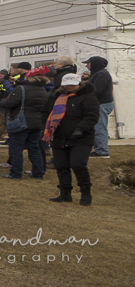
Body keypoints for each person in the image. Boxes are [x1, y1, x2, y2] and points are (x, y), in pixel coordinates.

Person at [43, 73, 101, 204]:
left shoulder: (88, 97)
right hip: (59, 135)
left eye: (72, 84)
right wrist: (45, 126)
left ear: (79, 84)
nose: (69, 87)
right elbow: (46, 112)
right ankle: (65, 193)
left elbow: (91, 116)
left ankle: (85, 193)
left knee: (78, 164)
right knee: (61, 166)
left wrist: (80, 129)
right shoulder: (56, 97)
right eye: (67, 85)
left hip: (81, 137)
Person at [0, 68, 49, 180]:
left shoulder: (21, 89)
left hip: (22, 122)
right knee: (34, 148)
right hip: (37, 123)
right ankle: (38, 172)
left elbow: (8, 104)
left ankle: (15, 173)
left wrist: (2, 101)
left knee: (16, 149)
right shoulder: (43, 90)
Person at [84, 56, 114, 159]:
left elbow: (97, 90)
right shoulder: (97, 74)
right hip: (101, 104)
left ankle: (101, 151)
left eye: (88, 63)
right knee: (98, 126)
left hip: (102, 104)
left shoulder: (101, 74)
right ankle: (99, 149)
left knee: (100, 127)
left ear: (95, 63)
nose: (86, 65)